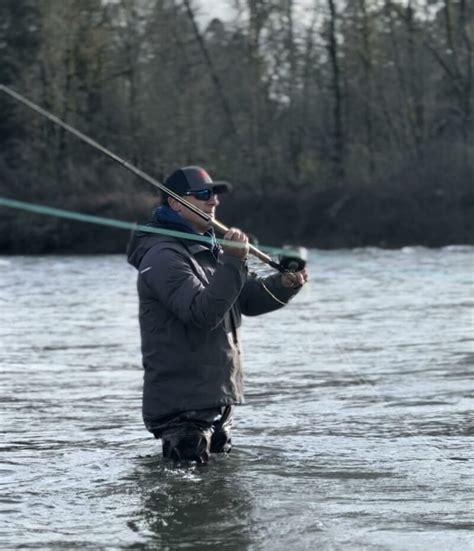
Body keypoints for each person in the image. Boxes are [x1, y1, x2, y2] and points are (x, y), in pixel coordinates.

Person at [127, 166, 308, 464]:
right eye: (203, 195)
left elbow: (245, 300)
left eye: (214, 195)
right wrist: (234, 262)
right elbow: (202, 313)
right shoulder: (162, 256)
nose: (213, 202)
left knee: (221, 501)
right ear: (175, 203)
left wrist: (284, 285)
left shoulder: (209, 251)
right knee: (186, 499)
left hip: (216, 402)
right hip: (183, 409)